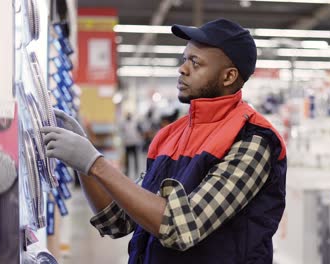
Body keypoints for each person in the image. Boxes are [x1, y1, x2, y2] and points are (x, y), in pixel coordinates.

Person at [41, 18, 287, 263]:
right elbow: (116, 219)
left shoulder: (253, 140)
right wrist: (84, 165)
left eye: (196, 62)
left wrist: (96, 163)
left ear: (228, 76)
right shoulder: (171, 135)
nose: (183, 69)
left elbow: (182, 227)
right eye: (184, 59)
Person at [119, 112, 143, 177]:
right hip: (127, 144)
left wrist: (139, 139)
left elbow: (140, 131)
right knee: (127, 160)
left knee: (135, 159)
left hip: (134, 143)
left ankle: (136, 172)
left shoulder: (135, 123)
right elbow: (122, 133)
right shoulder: (123, 124)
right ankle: (127, 172)